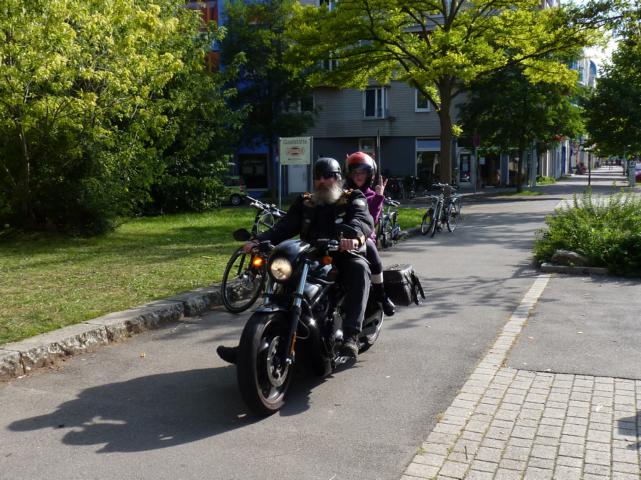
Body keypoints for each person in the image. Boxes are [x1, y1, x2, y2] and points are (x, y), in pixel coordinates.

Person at [217, 157, 374, 363]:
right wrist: (258, 240)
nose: (322, 181)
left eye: (327, 176)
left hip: (341, 254)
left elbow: (362, 220)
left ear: (338, 178)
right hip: (310, 254)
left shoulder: (353, 197)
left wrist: (353, 237)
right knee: (283, 278)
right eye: (318, 177)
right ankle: (250, 345)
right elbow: (284, 227)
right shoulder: (306, 201)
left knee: (359, 269)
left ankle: (351, 337)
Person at [345, 151, 395, 317]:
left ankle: (381, 293)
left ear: (369, 175)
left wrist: (379, 196)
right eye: (355, 172)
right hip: (342, 237)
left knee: (370, 247)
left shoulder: (372, 196)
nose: (358, 176)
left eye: (362, 172)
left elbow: (372, 220)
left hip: (364, 237)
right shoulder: (343, 194)